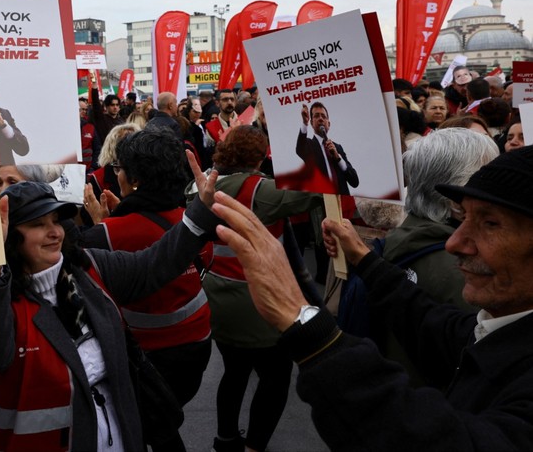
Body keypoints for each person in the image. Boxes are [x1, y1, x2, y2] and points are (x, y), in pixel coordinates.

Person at [210, 145, 533, 450]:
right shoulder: (498, 330)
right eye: (462, 218)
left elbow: (436, 441)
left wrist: (304, 322)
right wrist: (363, 259)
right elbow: (433, 324)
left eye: (490, 224)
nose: (455, 242)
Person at [0, 169, 220, 452]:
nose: (54, 232)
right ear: (10, 236)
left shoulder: (89, 267)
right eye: (38, 224)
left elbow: (153, 265)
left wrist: (198, 212)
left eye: (56, 220)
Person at [187, 125, 322, 452]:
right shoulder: (260, 190)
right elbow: (314, 191)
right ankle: (255, 447)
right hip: (258, 302)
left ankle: (226, 439)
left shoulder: (203, 184)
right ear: (260, 156)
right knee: (275, 379)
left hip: (219, 297)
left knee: (234, 372)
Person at [81, 129, 213, 451]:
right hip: (199, 343)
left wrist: (103, 226)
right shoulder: (191, 220)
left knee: (149, 427)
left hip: (151, 355)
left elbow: (101, 282)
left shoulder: (107, 235)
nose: (116, 176)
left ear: (134, 178)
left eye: (119, 169)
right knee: (166, 418)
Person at [374, 129, 498, 385]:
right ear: (455, 191)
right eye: (489, 174)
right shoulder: (465, 267)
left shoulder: (403, 236)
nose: (498, 184)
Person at [296, 102, 359, 195]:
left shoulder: (338, 148)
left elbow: (354, 181)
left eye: (323, 116)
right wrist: (304, 123)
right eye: (316, 116)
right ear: (311, 123)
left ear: (328, 124)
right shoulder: (309, 145)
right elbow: (300, 148)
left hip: (343, 203)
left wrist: (338, 158)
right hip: (322, 202)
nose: (320, 118)